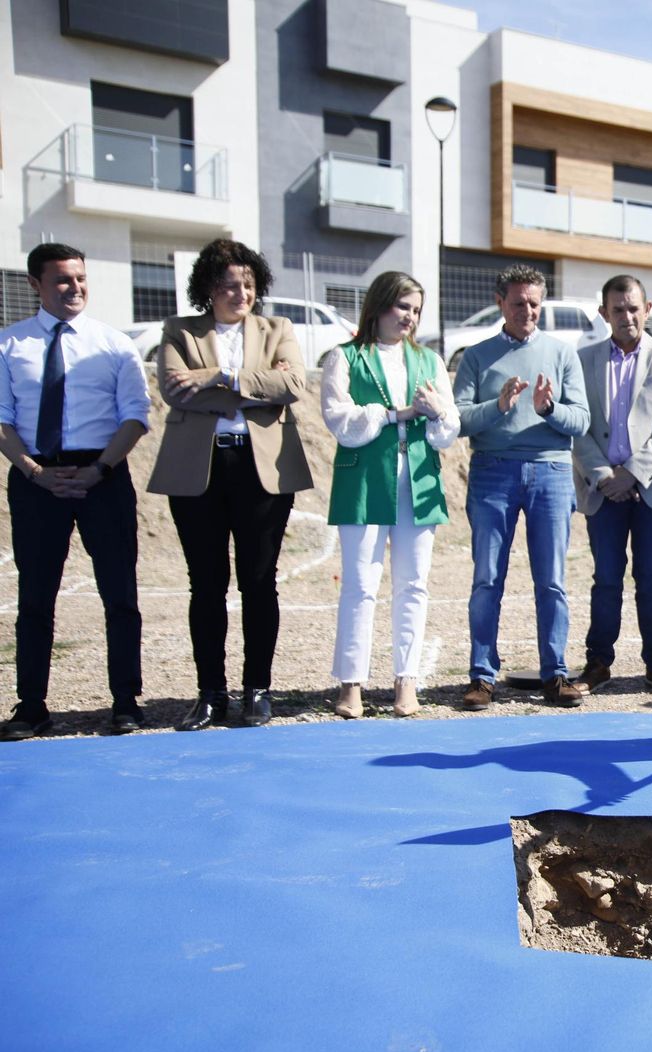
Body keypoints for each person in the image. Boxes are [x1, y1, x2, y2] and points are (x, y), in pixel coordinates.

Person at [148, 239, 314, 731]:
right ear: (207, 288)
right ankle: (210, 694)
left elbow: (294, 386)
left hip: (263, 470)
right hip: (198, 471)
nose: (239, 292)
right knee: (207, 585)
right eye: (227, 284)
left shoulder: (277, 328)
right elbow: (175, 391)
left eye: (247, 284)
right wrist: (249, 392)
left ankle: (257, 690)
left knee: (260, 582)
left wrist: (219, 376)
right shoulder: (179, 331)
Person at [0, 243, 150, 739]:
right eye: (63, 279)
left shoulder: (113, 344)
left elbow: (135, 416)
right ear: (35, 285)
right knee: (36, 597)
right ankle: (31, 706)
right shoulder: (9, 345)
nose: (75, 287)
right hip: (36, 480)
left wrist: (100, 470)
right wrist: (32, 470)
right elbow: (1, 421)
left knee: (119, 594)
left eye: (81, 278)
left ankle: (126, 701)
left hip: (102, 477)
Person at [321, 272, 459, 718]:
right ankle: (351, 684)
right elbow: (338, 418)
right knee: (360, 585)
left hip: (417, 482)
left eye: (416, 310)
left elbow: (447, 431)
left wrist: (437, 412)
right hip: (363, 482)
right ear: (379, 306)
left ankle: (407, 680)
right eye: (403, 306)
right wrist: (394, 413)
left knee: (413, 585)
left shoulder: (430, 361)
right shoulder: (344, 358)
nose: (410, 317)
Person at [454, 265, 590, 708]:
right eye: (518, 303)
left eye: (534, 302)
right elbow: (458, 419)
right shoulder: (476, 356)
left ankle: (555, 673)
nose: (527, 310)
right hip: (493, 471)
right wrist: (498, 406)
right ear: (500, 303)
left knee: (551, 580)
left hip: (550, 472)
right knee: (486, 578)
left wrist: (549, 409)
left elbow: (582, 420)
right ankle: (481, 675)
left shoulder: (563, 353)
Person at [571, 275, 652, 696]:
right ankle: (598, 664)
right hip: (602, 491)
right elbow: (578, 426)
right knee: (606, 578)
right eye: (618, 309)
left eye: (634, 308)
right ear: (604, 313)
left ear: (648, 308)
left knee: (651, 579)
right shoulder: (582, 359)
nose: (627, 316)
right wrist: (605, 476)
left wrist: (634, 473)